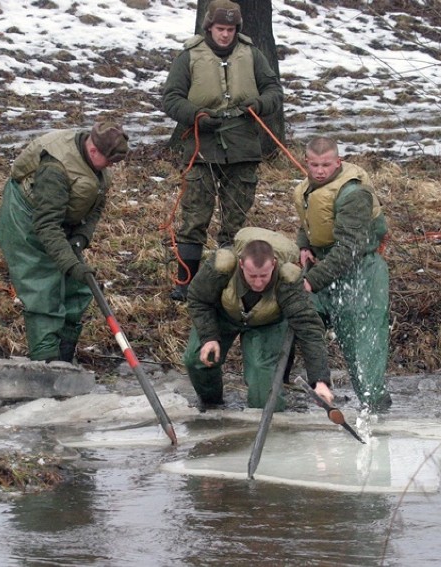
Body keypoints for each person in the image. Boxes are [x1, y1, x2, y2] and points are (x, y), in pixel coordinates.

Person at [162, 0, 283, 301]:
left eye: (230, 29)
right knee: (194, 218)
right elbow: (171, 98)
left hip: (243, 146)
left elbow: (273, 91)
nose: (226, 35)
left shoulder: (252, 54)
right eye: (220, 29)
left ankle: (228, 280)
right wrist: (197, 116)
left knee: (236, 221)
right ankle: (185, 284)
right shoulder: (189, 56)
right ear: (209, 28)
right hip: (202, 147)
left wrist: (260, 105)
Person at [0, 121, 129, 362]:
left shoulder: (96, 165)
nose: (112, 167)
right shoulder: (55, 170)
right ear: (93, 150)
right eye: (110, 161)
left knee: (77, 288)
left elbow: (96, 204)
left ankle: (64, 356)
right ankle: (46, 364)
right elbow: (46, 225)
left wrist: (81, 236)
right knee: (44, 289)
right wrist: (70, 263)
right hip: (27, 219)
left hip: (59, 218)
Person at [184, 227, 334, 411]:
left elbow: (309, 329)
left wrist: (320, 381)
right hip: (223, 314)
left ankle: (273, 426)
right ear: (241, 265)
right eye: (252, 276)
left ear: (274, 265)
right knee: (197, 360)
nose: (258, 282)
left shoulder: (287, 280)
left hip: (268, 324)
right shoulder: (222, 268)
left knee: (263, 389)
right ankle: (212, 405)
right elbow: (198, 299)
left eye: (264, 276)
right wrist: (209, 337)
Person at [293, 136, 392, 411]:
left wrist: (311, 281)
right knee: (300, 323)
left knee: (364, 352)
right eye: (314, 165)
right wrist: (304, 246)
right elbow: (310, 222)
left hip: (362, 272)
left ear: (338, 162)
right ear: (307, 163)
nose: (320, 171)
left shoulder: (354, 194)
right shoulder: (308, 188)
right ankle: (304, 389)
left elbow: (349, 249)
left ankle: (377, 412)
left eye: (326, 165)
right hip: (328, 270)